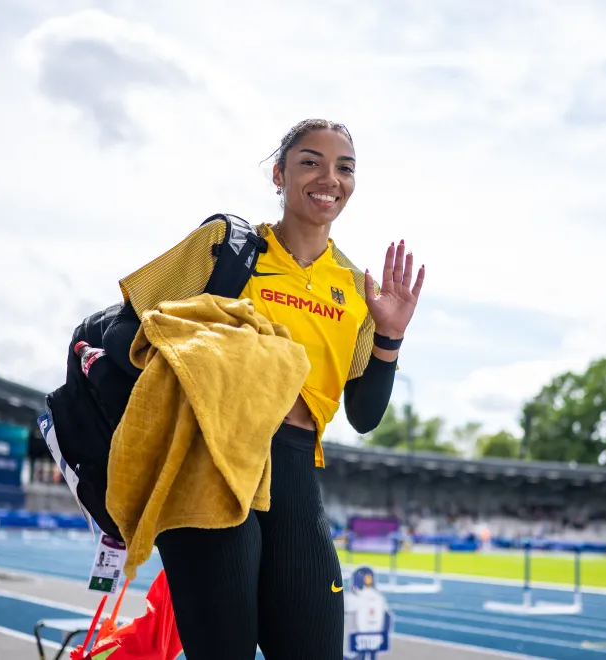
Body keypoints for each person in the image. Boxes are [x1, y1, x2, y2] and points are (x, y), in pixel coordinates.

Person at [146, 119, 425, 659]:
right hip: (212, 462)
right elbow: (133, 331)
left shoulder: (357, 289)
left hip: (296, 470)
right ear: (279, 174)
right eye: (310, 162)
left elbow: (364, 416)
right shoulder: (225, 247)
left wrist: (389, 335)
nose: (329, 178)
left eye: (344, 168)